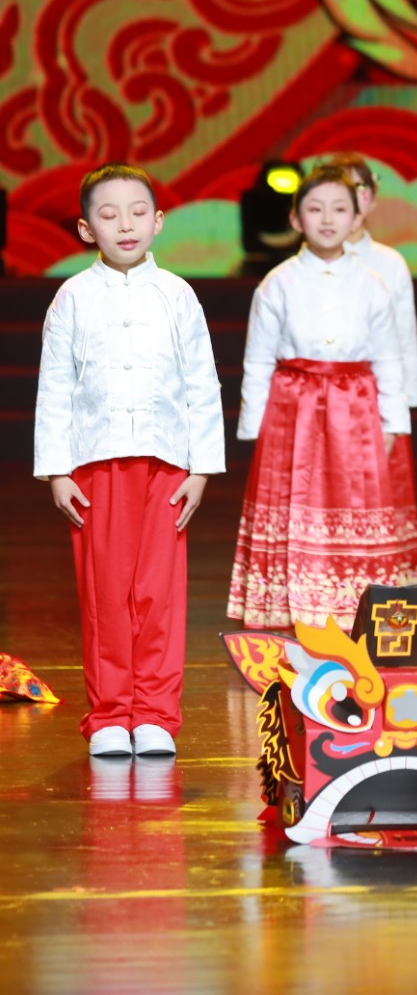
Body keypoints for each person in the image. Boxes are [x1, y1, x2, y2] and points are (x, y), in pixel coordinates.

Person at [34, 163, 225, 757]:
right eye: (109, 214)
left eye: (138, 212)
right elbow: (55, 386)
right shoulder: (72, 296)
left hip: (166, 463)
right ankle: (111, 714)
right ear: (86, 228)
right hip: (96, 464)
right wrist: (57, 469)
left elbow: (202, 382)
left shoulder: (178, 295)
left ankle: (157, 715)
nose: (125, 225)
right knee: (105, 594)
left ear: (158, 221)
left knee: (158, 595)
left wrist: (201, 468)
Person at [229, 165, 417, 631]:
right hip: (292, 408)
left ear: (357, 216)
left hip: (356, 408)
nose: (328, 219)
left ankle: (353, 614)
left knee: (355, 506)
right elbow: (258, 359)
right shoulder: (277, 282)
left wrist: (393, 423)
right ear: (296, 219)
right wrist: (255, 428)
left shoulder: (372, 283)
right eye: (315, 209)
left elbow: (388, 359)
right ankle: (295, 619)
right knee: (294, 506)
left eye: (339, 209)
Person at [312, 153, 417, 565]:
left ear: (371, 199)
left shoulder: (389, 264)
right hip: (320, 401)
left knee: (380, 497)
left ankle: (379, 579)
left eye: (357, 190)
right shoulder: (300, 270)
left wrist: (401, 409)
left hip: (376, 402)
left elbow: (404, 337)